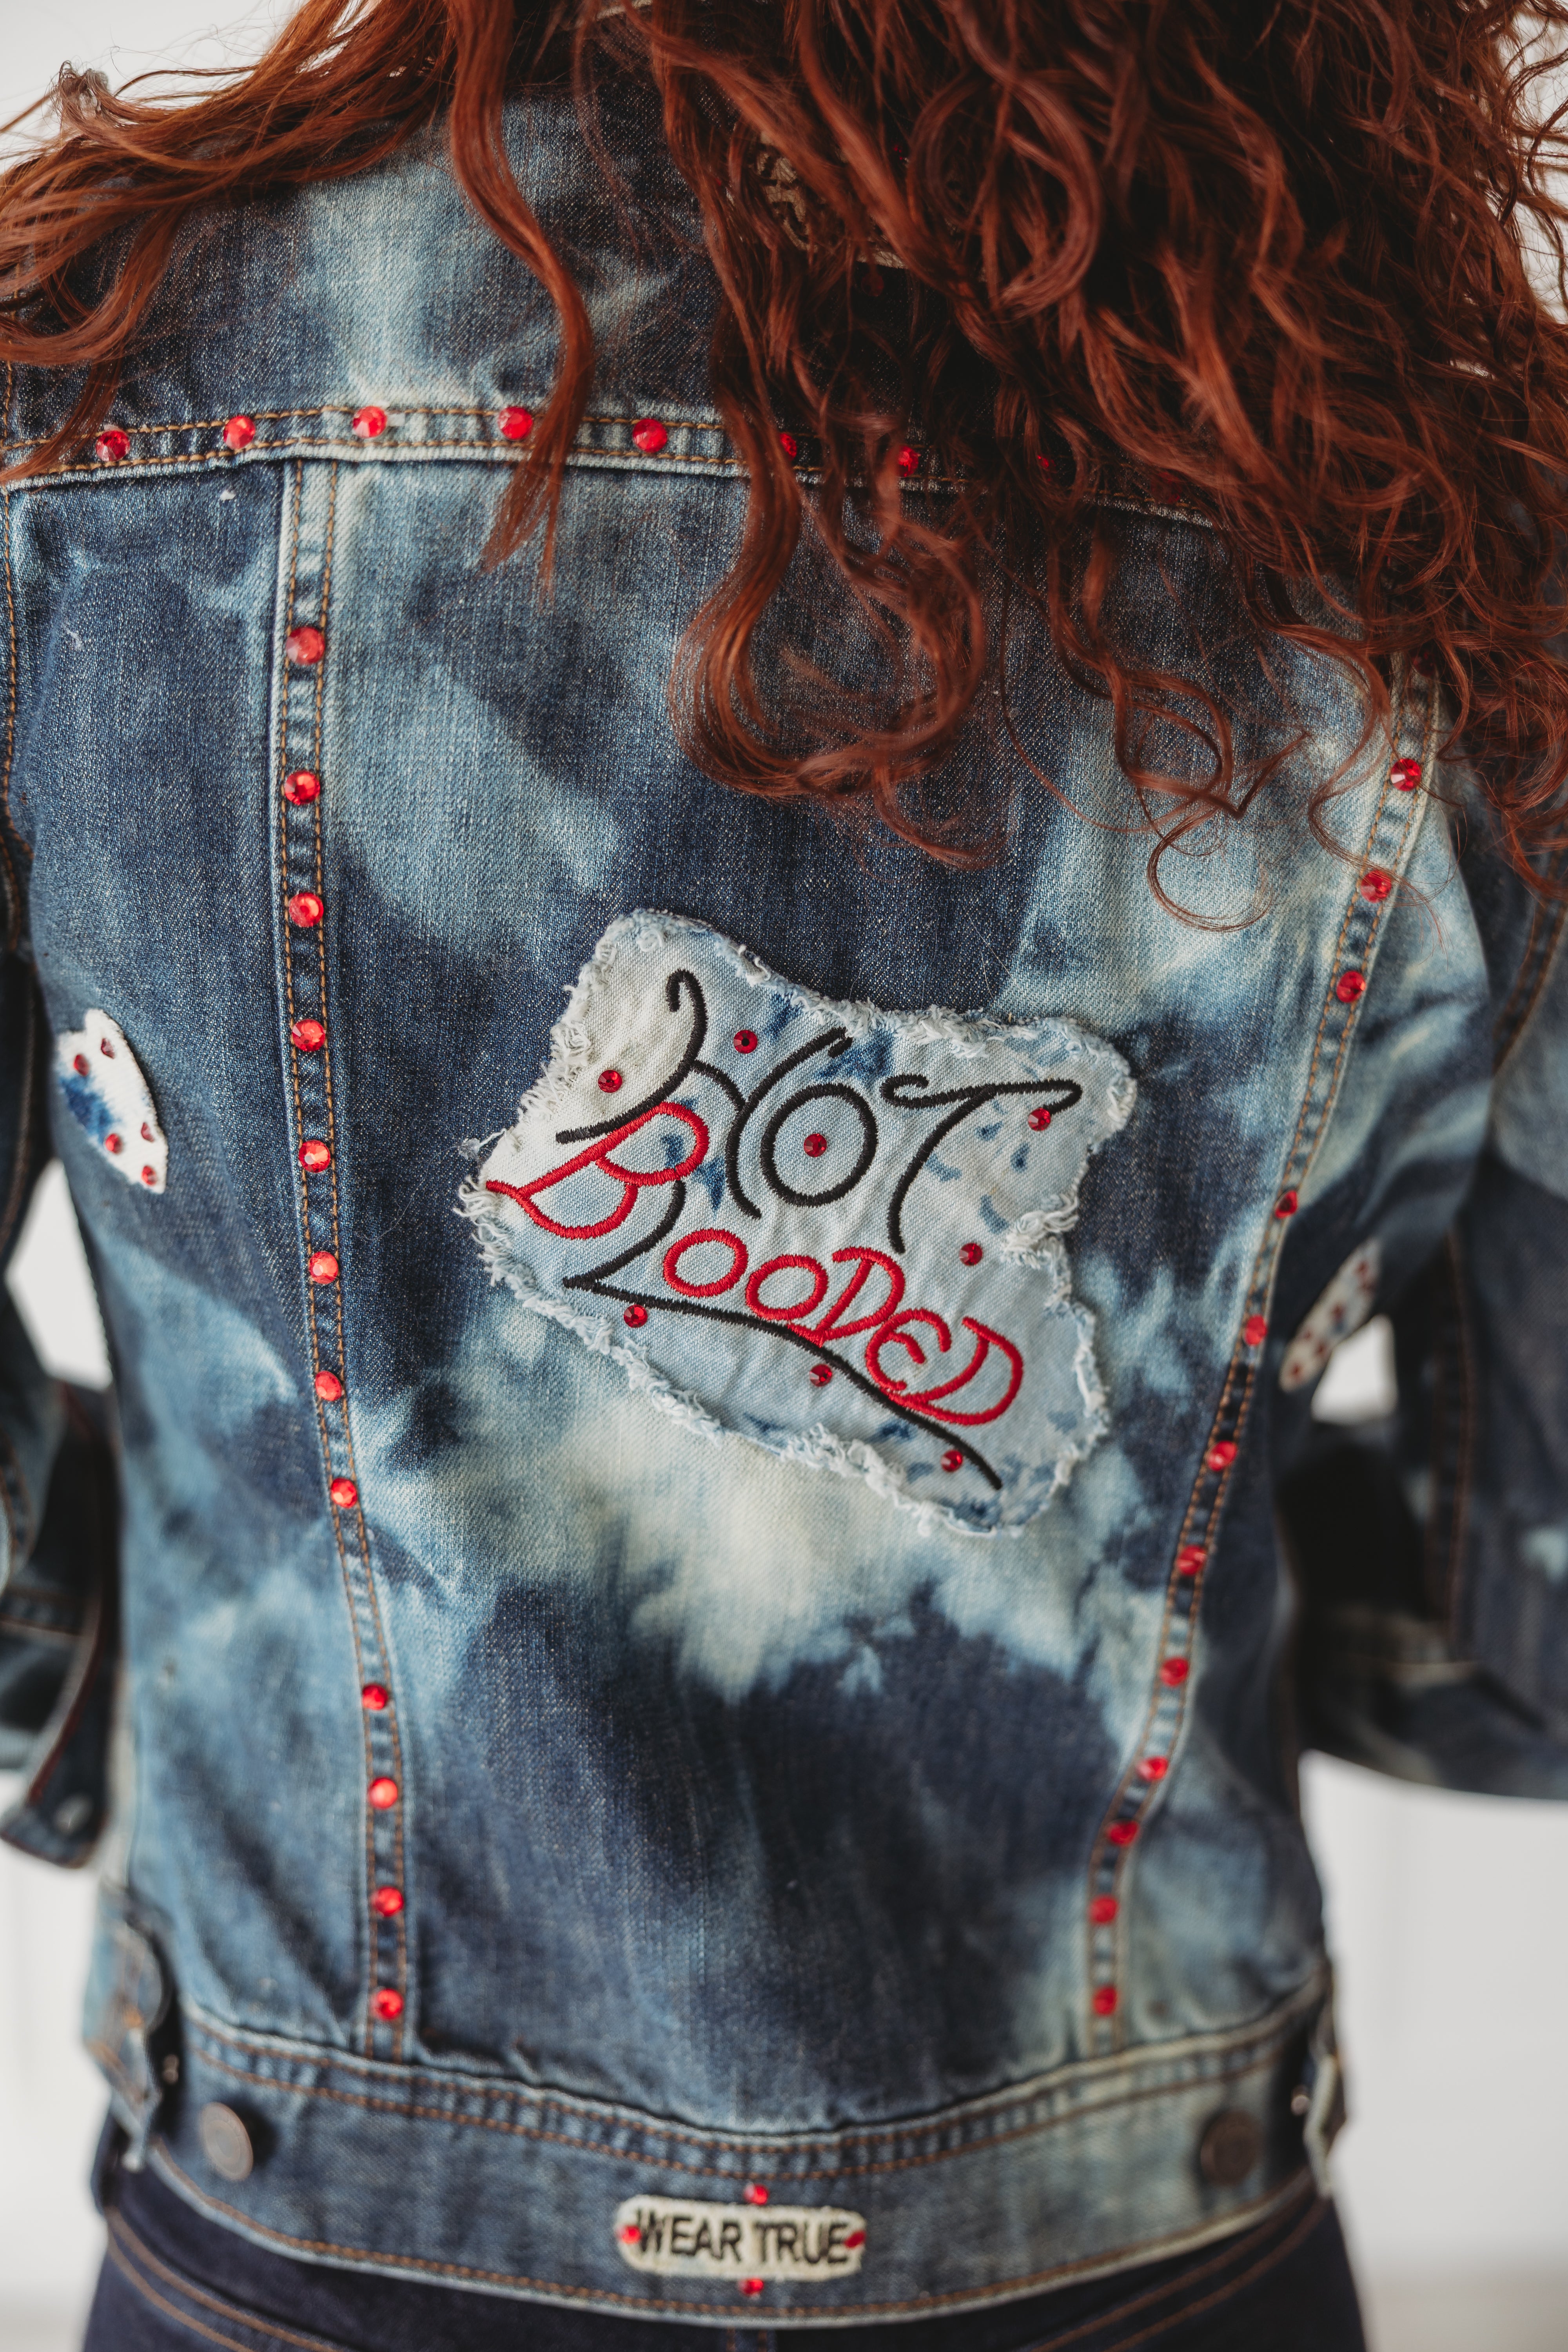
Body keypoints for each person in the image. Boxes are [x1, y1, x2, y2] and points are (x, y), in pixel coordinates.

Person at [2, 1, 1568, 2344]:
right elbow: (1535, 1618)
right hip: (1131, 2229)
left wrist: (155, 1646)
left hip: (312, 2214)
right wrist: (1147, 1552)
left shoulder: (90, 392)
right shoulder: (1456, 510)